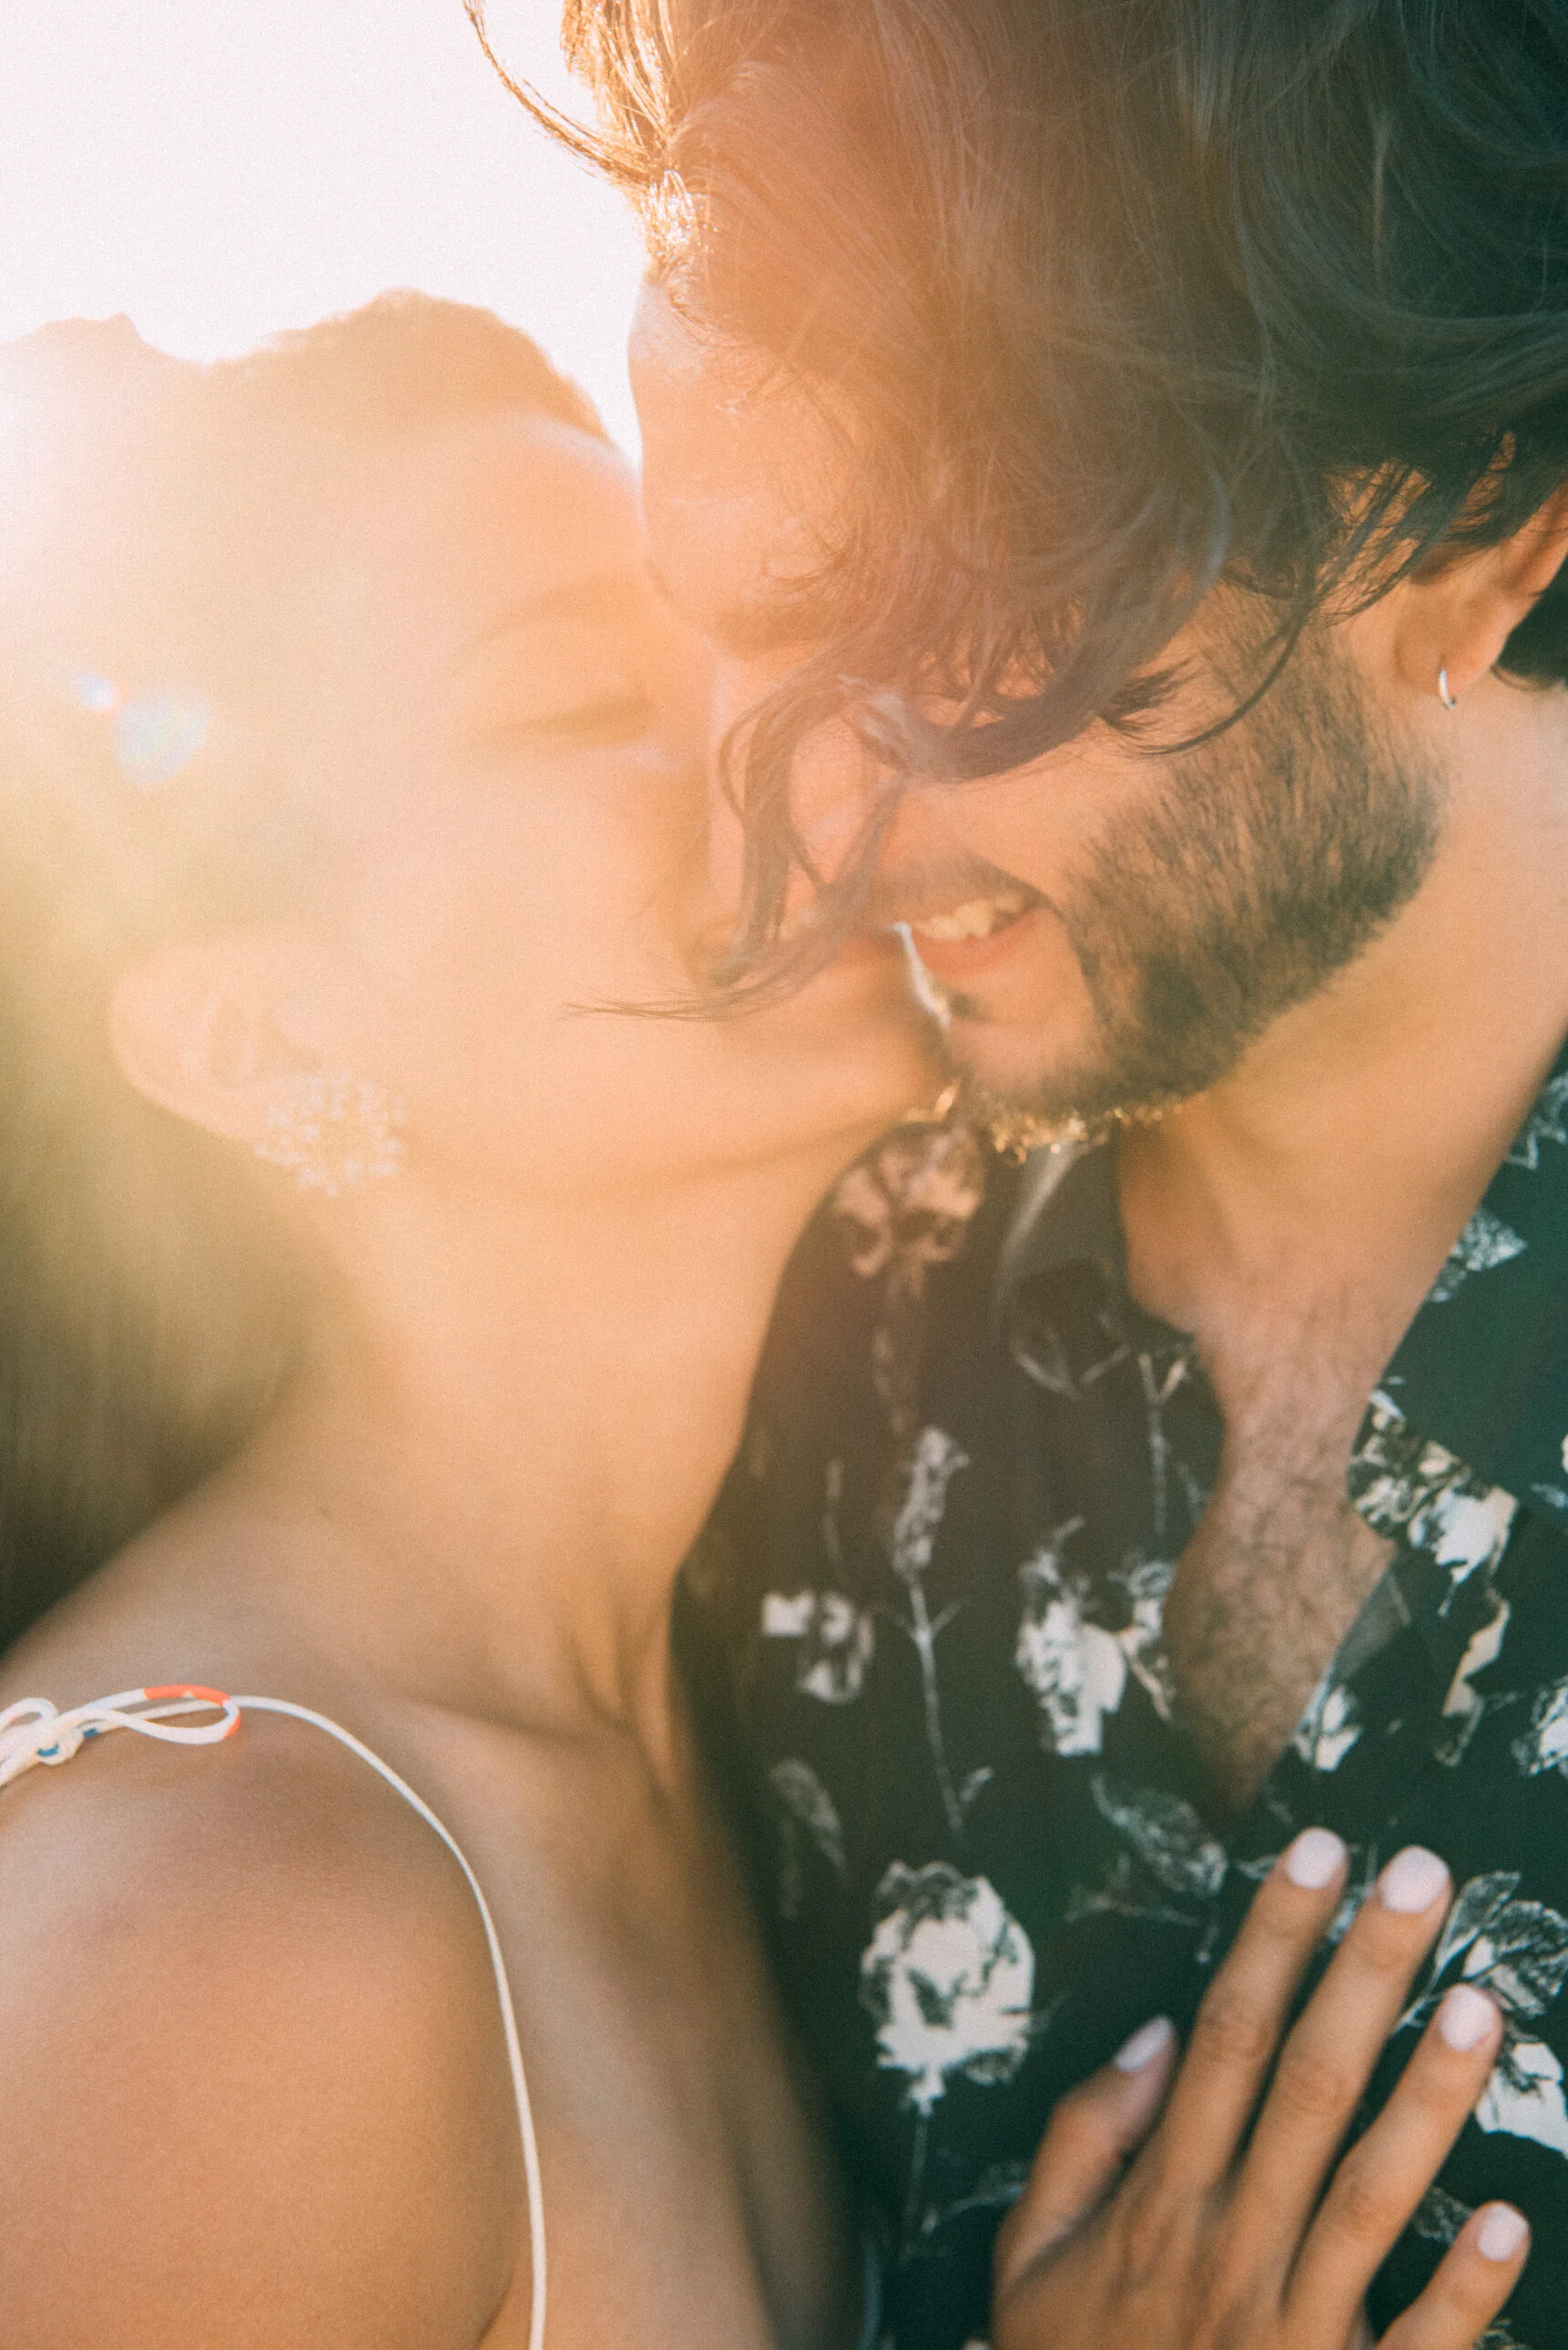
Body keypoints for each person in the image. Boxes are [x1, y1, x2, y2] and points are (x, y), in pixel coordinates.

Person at [0, 295, 1525, 2350]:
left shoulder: (732, 1670)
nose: (803, 746)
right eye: (571, 699)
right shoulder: (205, 1940)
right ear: (252, 1027)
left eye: (752, 642)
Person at [497, 2, 1568, 2344]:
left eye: (957, 647)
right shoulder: (784, 1295)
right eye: (754, 644)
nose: (803, 824)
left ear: (1469, 536)